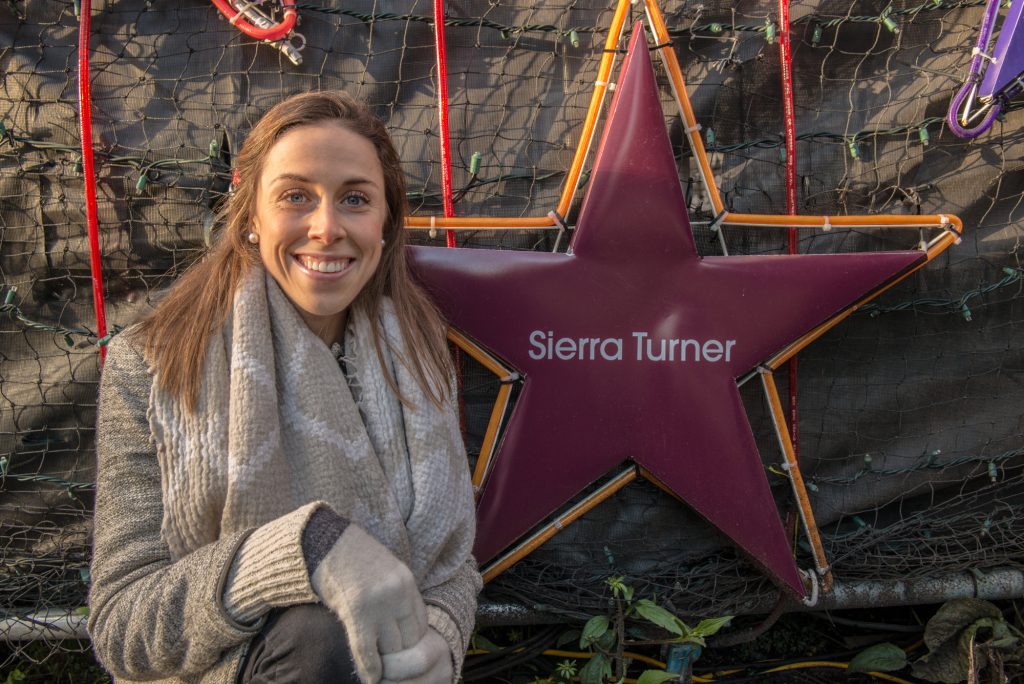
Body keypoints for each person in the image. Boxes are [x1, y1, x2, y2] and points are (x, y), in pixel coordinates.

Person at [87, 91, 481, 684]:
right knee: (321, 637)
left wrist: (442, 641)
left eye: (355, 199)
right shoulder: (154, 364)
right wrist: (305, 549)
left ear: (386, 222)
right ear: (251, 216)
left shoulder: (419, 355)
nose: (327, 228)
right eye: (296, 196)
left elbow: (452, 568)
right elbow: (124, 626)